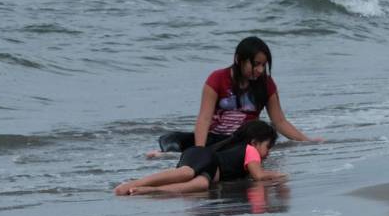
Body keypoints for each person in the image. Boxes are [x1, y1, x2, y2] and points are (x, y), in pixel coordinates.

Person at [156, 36, 322, 153]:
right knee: (171, 139)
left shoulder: (267, 84)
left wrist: (306, 141)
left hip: (245, 139)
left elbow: (279, 121)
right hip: (216, 137)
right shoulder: (217, 78)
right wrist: (200, 150)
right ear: (238, 59)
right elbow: (204, 119)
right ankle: (173, 155)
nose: (260, 70)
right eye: (256, 64)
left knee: (262, 137)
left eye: (263, 65)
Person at [116, 121, 284, 195]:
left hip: (207, 170)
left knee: (201, 185)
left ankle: (153, 191)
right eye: (268, 146)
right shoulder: (251, 151)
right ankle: (134, 184)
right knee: (186, 173)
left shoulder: (240, 152)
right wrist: (281, 176)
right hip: (204, 157)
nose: (268, 152)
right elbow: (259, 176)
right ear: (255, 142)